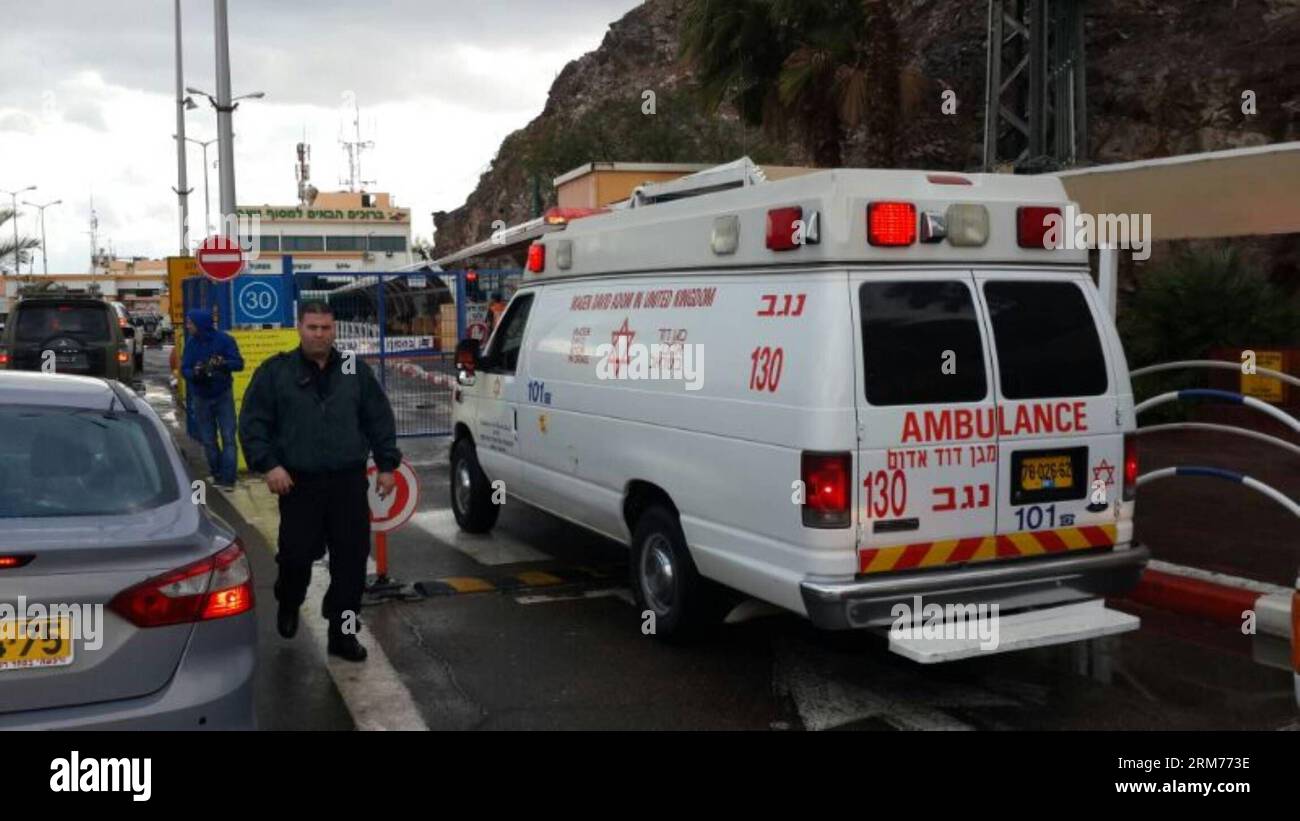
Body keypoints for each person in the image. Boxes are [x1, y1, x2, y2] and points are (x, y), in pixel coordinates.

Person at [238, 301, 401, 662]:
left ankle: (342, 634)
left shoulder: (353, 370)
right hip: (298, 484)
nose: (320, 334)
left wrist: (387, 465)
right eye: (312, 327)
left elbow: (378, 418)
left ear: (334, 330)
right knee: (295, 558)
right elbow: (253, 424)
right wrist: (269, 466)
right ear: (300, 328)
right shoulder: (276, 372)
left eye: (326, 328)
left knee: (351, 563)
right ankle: (289, 599)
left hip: (347, 483)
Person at [181, 309, 244, 491]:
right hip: (201, 396)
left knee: (228, 437)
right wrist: (195, 373)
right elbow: (185, 368)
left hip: (222, 394)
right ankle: (216, 474)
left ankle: (228, 479)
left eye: (190, 323)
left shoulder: (225, 340)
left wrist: (222, 363)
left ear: (199, 324)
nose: (187, 326)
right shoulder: (192, 344)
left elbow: (239, 363)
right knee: (208, 439)